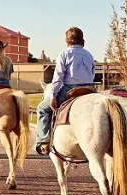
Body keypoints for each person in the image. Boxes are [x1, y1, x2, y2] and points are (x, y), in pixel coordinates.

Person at [35, 27, 97, 155]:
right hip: (89, 89)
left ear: (67, 40)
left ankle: (43, 141)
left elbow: (58, 77)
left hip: (70, 89)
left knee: (42, 109)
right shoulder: (89, 54)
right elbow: (92, 73)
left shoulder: (64, 53)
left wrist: (53, 95)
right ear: (81, 39)